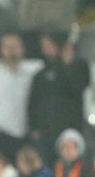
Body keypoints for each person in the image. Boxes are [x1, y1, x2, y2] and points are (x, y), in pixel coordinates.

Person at [0, 32, 43, 161]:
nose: (12, 51)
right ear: (2, 50)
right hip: (4, 135)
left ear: (22, 49)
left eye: (15, 47)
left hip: (28, 134)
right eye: (8, 47)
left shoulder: (35, 71)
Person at [27, 32, 89, 166]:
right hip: (45, 133)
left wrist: (68, 65)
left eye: (48, 45)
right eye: (43, 46)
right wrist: (34, 127)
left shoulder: (79, 67)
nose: (45, 50)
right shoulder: (41, 73)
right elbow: (33, 101)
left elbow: (78, 87)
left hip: (67, 131)